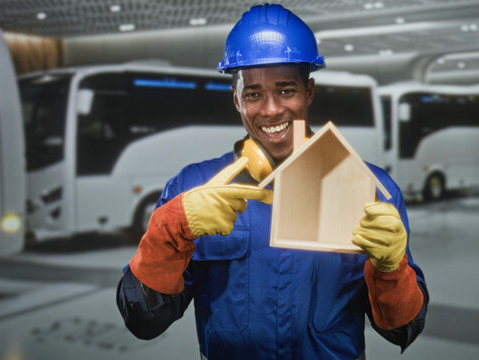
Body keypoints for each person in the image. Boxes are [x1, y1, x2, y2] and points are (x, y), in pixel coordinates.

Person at [117, 4, 429, 359]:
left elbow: (404, 329)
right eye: (253, 93)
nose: (270, 110)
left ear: (308, 92)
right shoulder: (193, 188)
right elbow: (143, 321)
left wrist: (391, 269)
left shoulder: (367, 188)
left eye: (285, 90)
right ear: (236, 99)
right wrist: (168, 234)